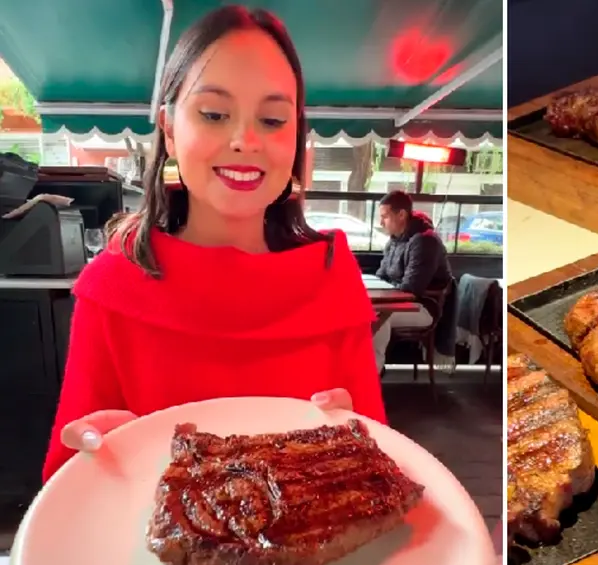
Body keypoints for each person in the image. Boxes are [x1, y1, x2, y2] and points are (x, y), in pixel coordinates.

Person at [41, 6, 384, 482]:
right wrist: (96, 465)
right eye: (214, 114)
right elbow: (65, 488)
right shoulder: (112, 287)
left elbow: (381, 465)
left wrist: (360, 453)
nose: (244, 140)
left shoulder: (330, 278)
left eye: (271, 119)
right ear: (169, 128)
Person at [373, 190, 456, 372]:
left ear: (401, 215)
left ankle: (373, 374)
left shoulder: (425, 242)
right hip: (400, 302)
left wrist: (385, 291)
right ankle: (358, 371)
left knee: (376, 317)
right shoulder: (394, 241)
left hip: (424, 307)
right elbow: (381, 275)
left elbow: (411, 289)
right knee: (362, 313)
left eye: (384, 217)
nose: (381, 223)